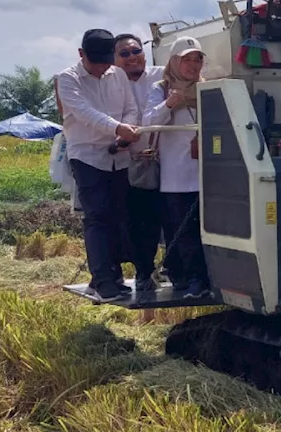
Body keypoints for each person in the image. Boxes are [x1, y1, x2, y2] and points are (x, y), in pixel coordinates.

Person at [55, 28, 140, 303]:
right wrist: (117, 128)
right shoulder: (68, 80)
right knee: (98, 216)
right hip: (87, 155)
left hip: (119, 154)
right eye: (98, 62)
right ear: (81, 55)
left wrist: (124, 133)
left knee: (119, 216)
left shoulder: (117, 74)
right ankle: (104, 280)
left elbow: (131, 108)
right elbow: (83, 113)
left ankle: (110, 277)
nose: (104, 68)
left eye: (107, 61)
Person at [143, 36, 211, 299]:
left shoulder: (209, 89)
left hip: (206, 174)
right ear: (173, 62)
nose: (193, 65)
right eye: (186, 59)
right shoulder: (160, 89)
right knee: (179, 230)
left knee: (200, 230)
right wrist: (169, 104)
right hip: (174, 175)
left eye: (197, 59)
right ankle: (183, 278)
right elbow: (148, 121)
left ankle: (199, 279)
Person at [113, 33, 165, 293]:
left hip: (162, 161)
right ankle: (138, 272)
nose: (132, 57)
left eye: (136, 51)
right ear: (114, 59)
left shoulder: (162, 75)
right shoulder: (109, 84)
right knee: (129, 222)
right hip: (124, 163)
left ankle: (157, 272)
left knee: (159, 220)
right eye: (124, 53)